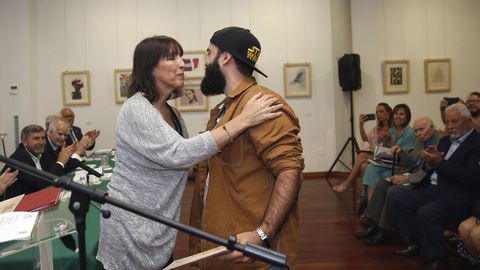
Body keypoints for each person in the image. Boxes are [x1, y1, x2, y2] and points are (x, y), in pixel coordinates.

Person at [96, 35, 282, 270]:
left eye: (181, 57)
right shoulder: (136, 109)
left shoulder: (174, 115)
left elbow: (183, 162)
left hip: (158, 228)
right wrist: (244, 119)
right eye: (172, 57)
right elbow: (180, 153)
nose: (182, 63)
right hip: (129, 227)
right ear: (150, 67)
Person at [188, 26, 304, 270]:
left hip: (254, 259)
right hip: (223, 251)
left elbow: (289, 171)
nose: (205, 61)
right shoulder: (224, 109)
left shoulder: (262, 104)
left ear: (225, 57)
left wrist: (262, 235)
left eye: (209, 53)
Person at [394, 103, 480, 270]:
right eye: (448, 122)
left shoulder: (476, 143)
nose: (450, 126)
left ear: (468, 121)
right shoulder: (446, 140)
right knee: (401, 199)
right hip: (435, 187)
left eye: (454, 122)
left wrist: (440, 163)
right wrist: (429, 160)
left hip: (459, 194)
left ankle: (439, 259)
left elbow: (470, 178)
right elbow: (432, 166)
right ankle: (417, 242)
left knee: (426, 213)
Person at [356, 117, 442, 245]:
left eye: (421, 130)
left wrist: (407, 178)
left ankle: (385, 230)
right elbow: (410, 162)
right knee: (383, 183)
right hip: (411, 173)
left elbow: (430, 169)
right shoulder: (419, 141)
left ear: (432, 127)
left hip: (424, 181)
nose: (418, 133)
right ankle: (374, 223)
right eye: (416, 130)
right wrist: (401, 152)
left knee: (393, 190)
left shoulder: (440, 141)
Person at [332, 103, 392, 193]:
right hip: (378, 154)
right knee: (363, 166)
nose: (378, 114)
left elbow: (392, 147)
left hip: (389, 156)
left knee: (362, 155)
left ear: (388, 113)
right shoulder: (377, 128)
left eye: (381, 111)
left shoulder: (393, 128)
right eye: (377, 112)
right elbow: (365, 138)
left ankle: (346, 184)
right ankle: (364, 194)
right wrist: (361, 125)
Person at [1, 125, 74, 199]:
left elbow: (52, 172)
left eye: (43, 138)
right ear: (24, 142)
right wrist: (60, 162)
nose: (41, 142)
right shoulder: (20, 158)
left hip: (35, 199)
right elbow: (42, 184)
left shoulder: (39, 153)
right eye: (36, 139)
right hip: (17, 206)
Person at [361, 103, 415, 202]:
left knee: (381, 175)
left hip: (401, 166)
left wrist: (389, 141)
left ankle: (373, 207)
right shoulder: (392, 130)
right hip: (389, 163)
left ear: (407, 117)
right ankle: (370, 207)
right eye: (396, 114)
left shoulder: (410, 132)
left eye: (401, 114)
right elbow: (387, 151)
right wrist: (384, 141)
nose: (397, 116)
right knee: (371, 168)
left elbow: (405, 157)